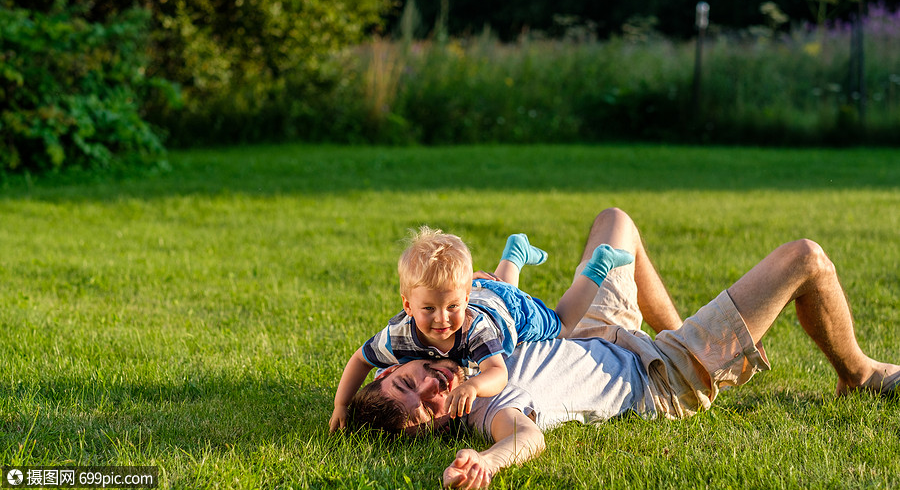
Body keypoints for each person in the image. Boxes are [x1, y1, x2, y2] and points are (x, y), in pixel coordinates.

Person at [346, 208, 900, 489]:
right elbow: (524, 436)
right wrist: (487, 460)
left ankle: (688, 330)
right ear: (438, 427)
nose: (430, 384)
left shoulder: (433, 336)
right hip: (656, 376)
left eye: (406, 380)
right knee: (805, 258)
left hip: (596, 332)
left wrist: (342, 406)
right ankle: (858, 372)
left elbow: (370, 352)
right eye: (427, 405)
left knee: (616, 221)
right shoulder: (484, 404)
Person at [329, 227, 635, 432]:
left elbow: (497, 373)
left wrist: (473, 386)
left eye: (451, 307)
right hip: (483, 291)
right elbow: (361, 359)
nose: (442, 320)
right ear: (407, 307)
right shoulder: (399, 335)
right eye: (428, 309)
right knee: (497, 287)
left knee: (564, 324)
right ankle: (514, 252)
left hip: (509, 311)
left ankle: (599, 265)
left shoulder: (476, 332)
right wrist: (341, 404)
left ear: (463, 299)